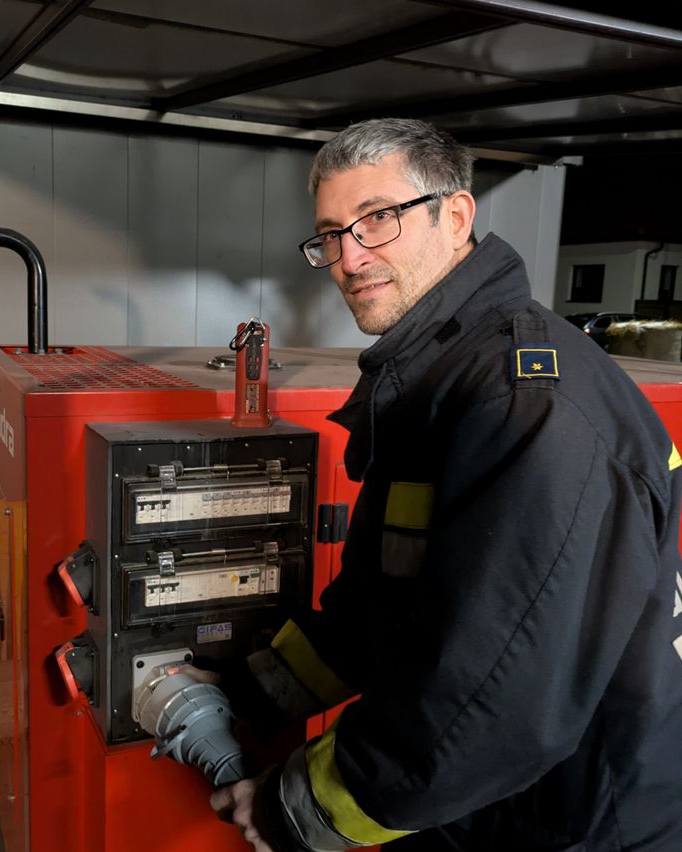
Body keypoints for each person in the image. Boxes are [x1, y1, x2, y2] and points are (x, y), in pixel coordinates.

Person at [199, 118, 682, 851]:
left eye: (378, 220)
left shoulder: (528, 407)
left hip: (581, 819)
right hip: (497, 805)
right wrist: (249, 693)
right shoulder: (440, 384)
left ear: (455, 217)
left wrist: (292, 810)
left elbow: (499, 705)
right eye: (331, 234)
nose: (349, 257)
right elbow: (384, 606)